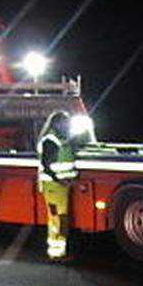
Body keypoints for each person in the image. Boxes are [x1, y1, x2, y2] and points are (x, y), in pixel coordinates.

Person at [37, 111, 96, 260]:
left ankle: (60, 251)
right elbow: (46, 165)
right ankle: (56, 253)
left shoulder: (63, 139)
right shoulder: (50, 140)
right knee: (57, 219)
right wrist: (59, 179)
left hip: (60, 186)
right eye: (65, 123)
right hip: (53, 187)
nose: (67, 126)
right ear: (57, 124)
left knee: (62, 218)